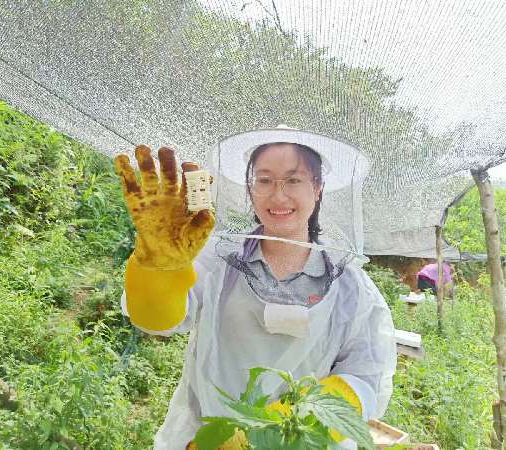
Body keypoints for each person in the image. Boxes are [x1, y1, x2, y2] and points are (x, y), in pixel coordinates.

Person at [115, 128, 396, 450]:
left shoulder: (352, 287)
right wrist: (158, 268)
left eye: (293, 180)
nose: (278, 196)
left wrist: (280, 427)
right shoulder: (215, 260)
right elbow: (155, 321)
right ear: (250, 189)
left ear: (317, 188)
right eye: (264, 180)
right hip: (205, 438)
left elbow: (365, 378)